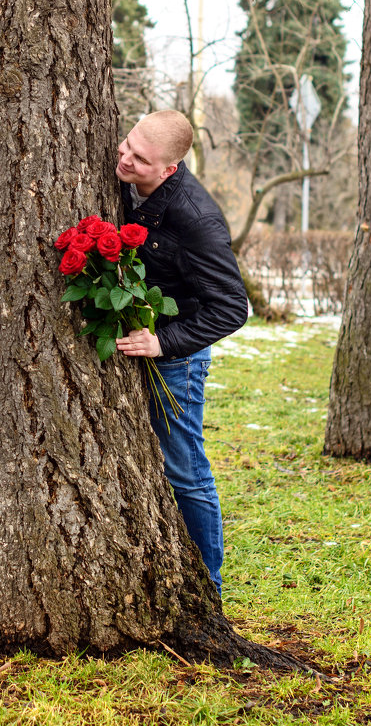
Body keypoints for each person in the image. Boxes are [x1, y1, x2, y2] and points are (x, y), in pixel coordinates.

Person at [113, 110, 248, 594]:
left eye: (140, 159)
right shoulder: (123, 171)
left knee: (185, 470)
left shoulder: (196, 218)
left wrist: (162, 343)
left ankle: (209, 586)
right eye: (126, 145)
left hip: (176, 359)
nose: (124, 159)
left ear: (170, 169)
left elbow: (232, 307)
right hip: (133, 347)